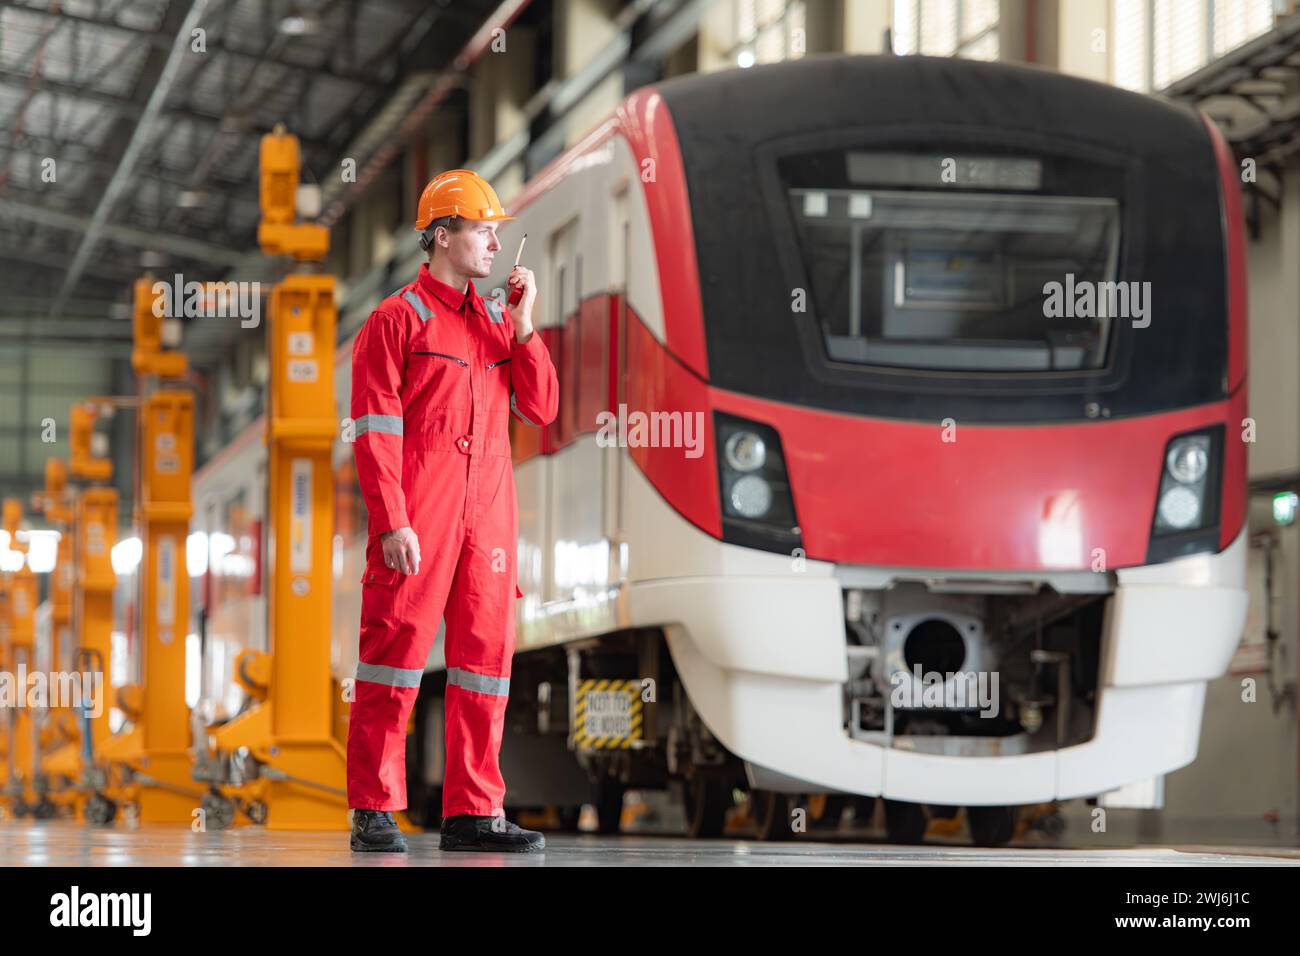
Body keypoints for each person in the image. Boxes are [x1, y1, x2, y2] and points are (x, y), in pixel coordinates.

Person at [346, 169, 558, 852]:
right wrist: (393, 520)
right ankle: (374, 807)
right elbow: (378, 429)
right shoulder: (396, 320)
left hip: (489, 512)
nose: (495, 243)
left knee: (484, 662)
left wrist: (526, 328)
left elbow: (543, 407)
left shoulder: (499, 323)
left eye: (498, 232)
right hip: (422, 507)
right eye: (483, 230)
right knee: (395, 655)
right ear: (443, 235)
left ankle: (474, 812)